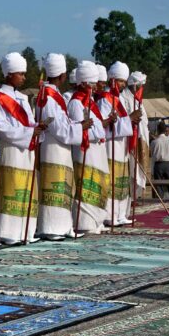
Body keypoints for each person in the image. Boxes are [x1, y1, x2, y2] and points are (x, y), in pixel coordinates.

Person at [0, 52, 47, 245]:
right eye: (20, 74)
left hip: (27, 149)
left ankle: (27, 231)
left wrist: (37, 127)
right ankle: (10, 233)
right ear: (9, 74)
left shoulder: (23, 98)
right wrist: (29, 131)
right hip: (12, 149)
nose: (24, 77)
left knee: (26, 189)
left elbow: (30, 121)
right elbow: (3, 128)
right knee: (13, 188)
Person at [36, 54, 91, 240]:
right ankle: (51, 227)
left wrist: (75, 127)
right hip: (53, 146)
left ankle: (64, 224)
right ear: (61, 75)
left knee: (65, 184)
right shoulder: (48, 97)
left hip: (61, 146)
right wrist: (80, 127)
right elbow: (58, 127)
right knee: (55, 183)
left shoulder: (54, 94)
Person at [96, 61, 142, 227]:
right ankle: (110, 214)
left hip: (121, 145)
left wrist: (132, 120)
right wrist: (129, 119)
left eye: (124, 81)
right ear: (113, 80)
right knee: (112, 182)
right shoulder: (104, 100)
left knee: (122, 182)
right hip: (111, 147)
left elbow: (122, 122)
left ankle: (121, 213)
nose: (123, 84)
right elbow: (104, 125)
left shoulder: (119, 99)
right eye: (121, 81)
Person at [68, 62, 109, 234]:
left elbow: (98, 127)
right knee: (86, 184)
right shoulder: (76, 103)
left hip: (97, 151)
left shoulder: (90, 102)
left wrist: (97, 131)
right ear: (84, 83)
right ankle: (85, 222)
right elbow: (83, 129)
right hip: (86, 151)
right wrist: (96, 131)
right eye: (92, 83)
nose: (94, 86)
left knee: (98, 183)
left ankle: (97, 219)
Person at [126, 71, 150, 206]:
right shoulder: (126, 99)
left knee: (138, 170)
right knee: (132, 169)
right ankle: (131, 197)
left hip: (142, 140)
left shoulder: (138, 101)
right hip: (132, 140)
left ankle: (136, 196)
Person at [150, 122, 169, 199]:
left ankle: (159, 203)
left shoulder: (155, 142)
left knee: (159, 186)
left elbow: (153, 153)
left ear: (158, 130)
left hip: (159, 165)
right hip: (168, 164)